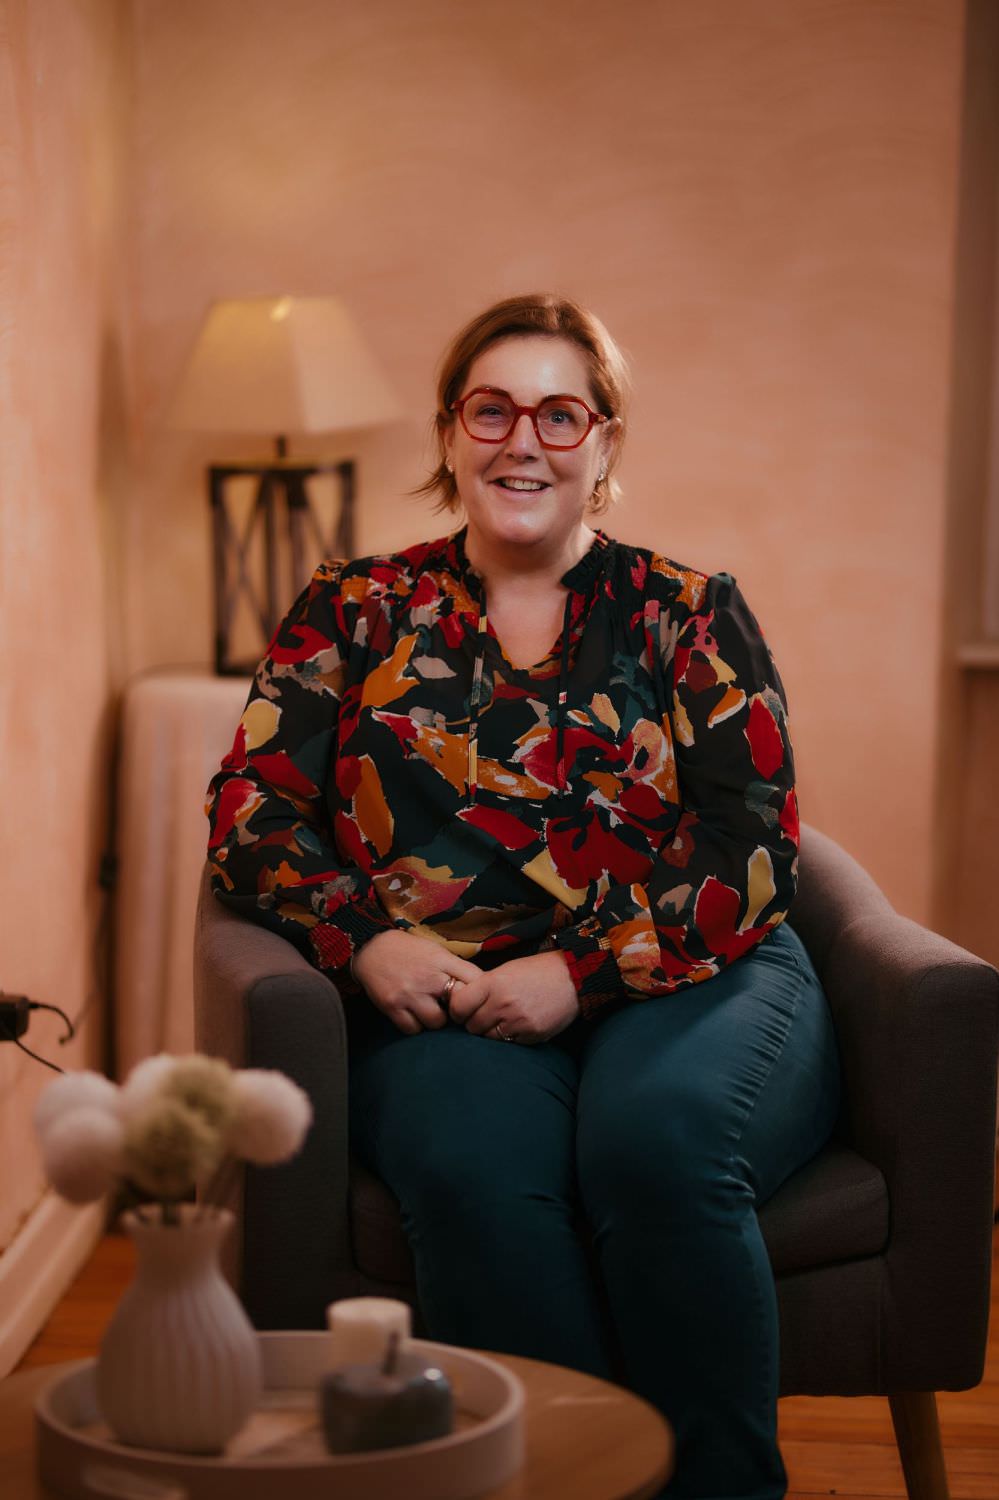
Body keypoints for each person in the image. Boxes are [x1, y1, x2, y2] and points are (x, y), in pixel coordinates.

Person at [206, 293, 841, 1500]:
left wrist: (583, 974)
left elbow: (754, 846)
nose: (524, 442)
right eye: (492, 410)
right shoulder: (353, 609)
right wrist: (363, 941)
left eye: (561, 414)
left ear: (604, 443)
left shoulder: (687, 611)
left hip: (686, 978)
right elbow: (251, 811)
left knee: (656, 1146)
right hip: (446, 1000)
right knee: (472, 1169)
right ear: (450, 434)